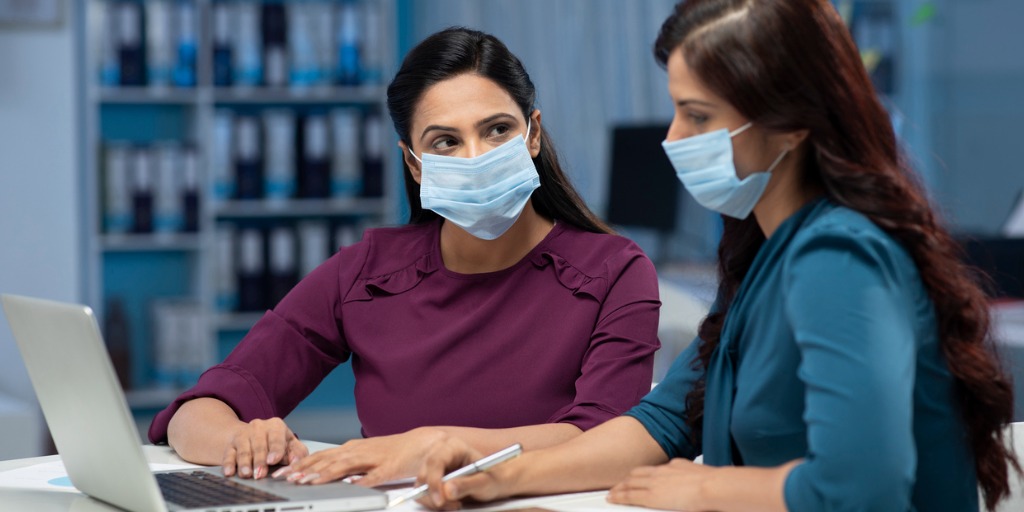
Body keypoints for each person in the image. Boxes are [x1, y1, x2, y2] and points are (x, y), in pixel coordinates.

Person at [413, 2, 1020, 511]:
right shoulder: (764, 256)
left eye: (697, 114)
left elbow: (864, 486)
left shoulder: (840, 258)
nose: (672, 138)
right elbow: (666, 421)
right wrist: (497, 475)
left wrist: (706, 485)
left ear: (793, 125)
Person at [148, 27, 661, 487]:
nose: (475, 156)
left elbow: (607, 440)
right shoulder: (366, 272)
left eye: (497, 129)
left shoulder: (614, 270)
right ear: (413, 164)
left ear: (533, 133)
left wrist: (430, 447)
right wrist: (241, 441)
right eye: (445, 141)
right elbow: (198, 411)